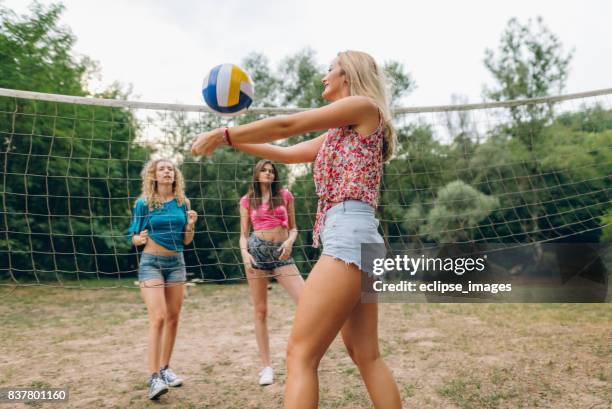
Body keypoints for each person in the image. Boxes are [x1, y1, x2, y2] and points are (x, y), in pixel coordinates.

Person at [192, 50, 402, 409]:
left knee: (300, 354)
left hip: (350, 238)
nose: (325, 75)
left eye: (330, 68)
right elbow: (284, 151)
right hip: (359, 238)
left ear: (347, 73)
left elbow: (289, 124)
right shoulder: (339, 134)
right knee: (365, 355)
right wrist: (229, 141)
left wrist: (227, 133)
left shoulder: (365, 108)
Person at [128, 158, 197, 400]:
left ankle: (166, 368)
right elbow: (133, 237)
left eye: (170, 168)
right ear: (154, 176)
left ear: (175, 175)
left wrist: (190, 225)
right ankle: (154, 377)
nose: (167, 171)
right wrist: (140, 238)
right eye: (162, 169)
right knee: (158, 317)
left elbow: (186, 240)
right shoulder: (143, 203)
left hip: (176, 264)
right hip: (151, 263)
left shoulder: (183, 202)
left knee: (173, 317)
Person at [239, 159, 305, 385]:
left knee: (306, 302)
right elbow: (243, 234)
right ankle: (266, 367)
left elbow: (294, 228)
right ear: (257, 174)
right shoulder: (247, 201)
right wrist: (245, 253)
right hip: (256, 252)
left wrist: (290, 242)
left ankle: (300, 354)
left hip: (282, 254)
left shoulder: (285, 195)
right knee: (260, 311)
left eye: (271, 171)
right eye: (264, 170)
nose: (268, 173)